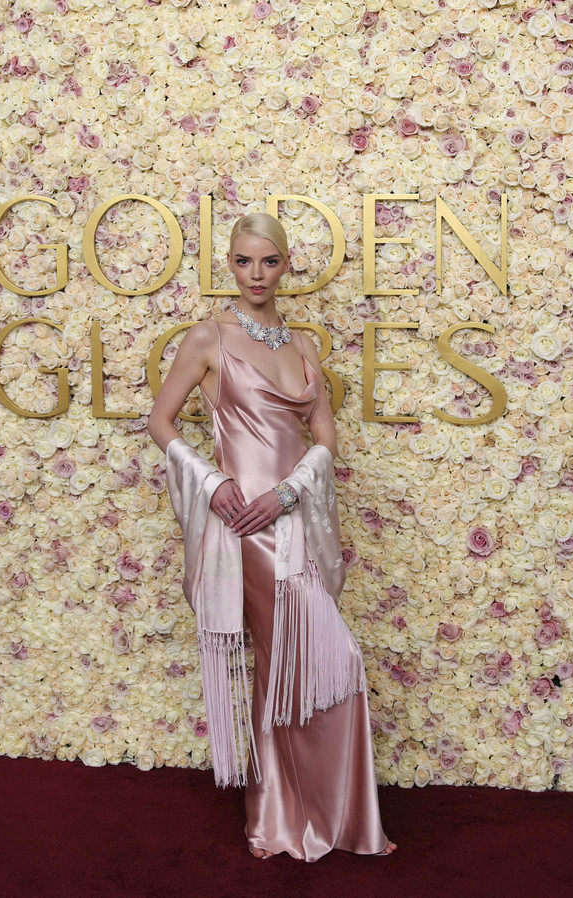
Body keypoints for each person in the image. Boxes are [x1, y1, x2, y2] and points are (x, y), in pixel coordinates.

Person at [147, 212, 396, 862]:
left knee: (323, 661)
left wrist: (290, 491)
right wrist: (209, 482)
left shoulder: (303, 347)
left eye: (268, 262)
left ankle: (326, 818)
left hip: (291, 519)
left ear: (285, 266)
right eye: (243, 261)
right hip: (242, 527)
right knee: (282, 662)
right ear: (229, 264)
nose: (256, 274)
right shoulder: (209, 337)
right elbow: (162, 420)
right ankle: (278, 821)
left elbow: (324, 436)